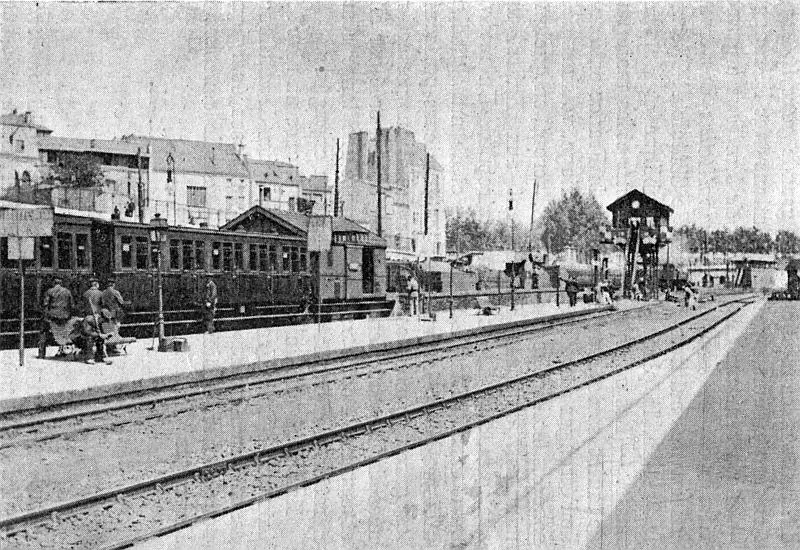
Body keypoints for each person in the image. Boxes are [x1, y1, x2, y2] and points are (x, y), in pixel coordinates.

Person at [38, 277, 74, 359]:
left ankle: (41, 353)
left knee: (43, 331)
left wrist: (46, 315)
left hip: (52, 316)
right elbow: (72, 305)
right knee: (64, 332)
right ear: (61, 283)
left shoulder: (49, 291)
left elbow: (45, 304)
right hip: (65, 317)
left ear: (54, 283)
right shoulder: (67, 291)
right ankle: (62, 349)